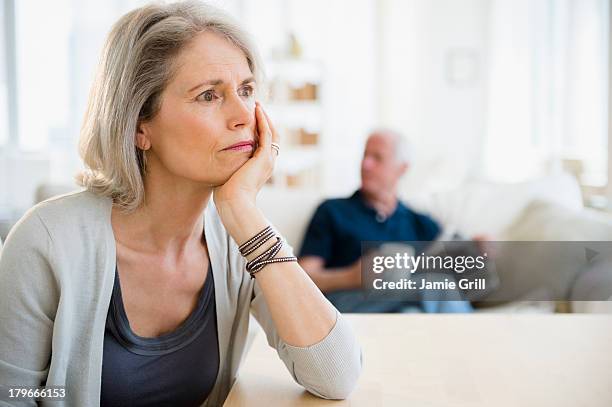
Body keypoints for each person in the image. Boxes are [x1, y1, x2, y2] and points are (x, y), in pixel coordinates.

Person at [0, 2, 361, 406]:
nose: (244, 114)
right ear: (139, 125)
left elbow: (337, 375)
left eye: (246, 90)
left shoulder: (239, 239)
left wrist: (244, 213)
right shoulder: (45, 242)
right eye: (209, 95)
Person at [299, 129, 473, 313]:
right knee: (437, 287)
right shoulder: (332, 211)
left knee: (411, 313)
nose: (366, 164)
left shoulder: (420, 223)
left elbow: (449, 261)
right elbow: (302, 279)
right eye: (365, 155)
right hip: (348, 304)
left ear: (402, 168)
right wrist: (350, 276)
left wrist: (475, 250)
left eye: (377, 158)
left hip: (402, 307)